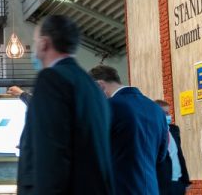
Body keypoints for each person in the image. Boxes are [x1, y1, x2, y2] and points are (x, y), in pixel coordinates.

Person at [16, 15, 114, 195]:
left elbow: (50, 155)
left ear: (44, 43)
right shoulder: (91, 86)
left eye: (35, 41)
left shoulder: (51, 79)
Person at [89, 65, 168, 195]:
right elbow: (161, 156)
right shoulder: (156, 109)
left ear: (100, 85)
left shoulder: (108, 107)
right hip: (151, 189)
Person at [155, 100, 191, 195]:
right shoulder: (151, 133)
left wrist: (186, 181)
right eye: (165, 113)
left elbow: (179, 155)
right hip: (162, 185)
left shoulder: (174, 130)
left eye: (169, 113)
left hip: (178, 183)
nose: (168, 116)